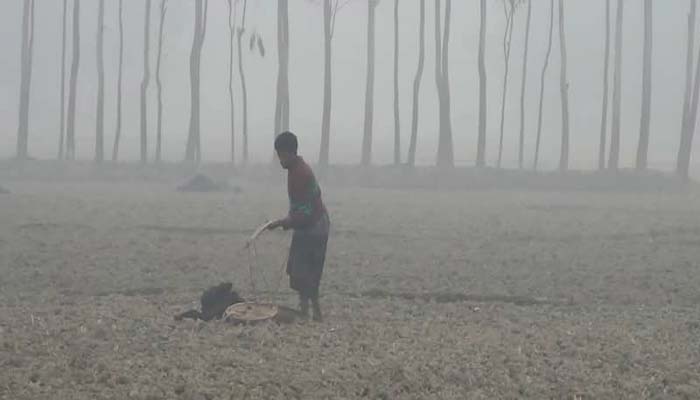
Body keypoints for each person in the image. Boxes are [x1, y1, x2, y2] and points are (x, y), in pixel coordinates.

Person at [268, 131, 330, 321]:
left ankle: (311, 311)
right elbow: (299, 208)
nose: (280, 160)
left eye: (281, 155)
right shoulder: (295, 169)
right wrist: (287, 221)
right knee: (303, 270)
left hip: (314, 226)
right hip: (311, 224)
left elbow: (304, 211)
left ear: (289, 153)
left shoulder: (300, 173)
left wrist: (283, 222)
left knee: (304, 270)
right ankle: (308, 310)